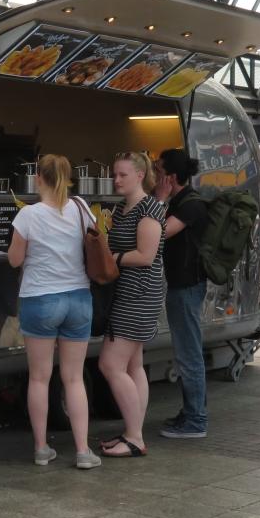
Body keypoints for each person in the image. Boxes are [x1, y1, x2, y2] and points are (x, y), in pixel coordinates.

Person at [6, 154, 102, 470]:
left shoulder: (28, 215)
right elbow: (95, 242)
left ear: (38, 179)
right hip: (78, 299)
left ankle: (41, 449)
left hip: (41, 299)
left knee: (39, 377)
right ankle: (83, 451)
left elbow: (14, 260)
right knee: (73, 378)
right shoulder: (81, 207)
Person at [98, 151, 166, 459]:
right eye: (115, 174)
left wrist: (110, 258)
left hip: (138, 293)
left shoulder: (149, 208)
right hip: (127, 291)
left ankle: (135, 437)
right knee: (133, 364)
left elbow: (146, 256)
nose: (116, 180)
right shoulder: (121, 208)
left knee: (110, 364)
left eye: (122, 174)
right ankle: (133, 432)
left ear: (140, 175)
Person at [155, 149, 211, 439]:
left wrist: (159, 200)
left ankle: (196, 420)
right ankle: (190, 411)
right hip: (180, 285)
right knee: (186, 352)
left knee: (189, 354)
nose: (153, 176)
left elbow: (158, 233)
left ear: (171, 177)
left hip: (187, 286)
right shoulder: (180, 202)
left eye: (158, 171)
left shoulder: (190, 205)